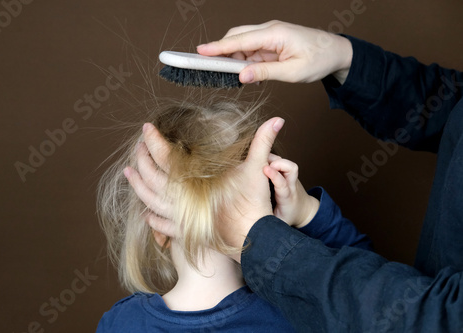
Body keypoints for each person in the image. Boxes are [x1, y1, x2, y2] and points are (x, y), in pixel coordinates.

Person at [133, 21, 463, 332]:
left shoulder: (122, 322)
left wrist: (259, 238)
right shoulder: (305, 312)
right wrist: (343, 57)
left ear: (160, 226)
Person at [95, 94, 372, 332]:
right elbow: (367, 290)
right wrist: (308, 212)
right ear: (273, 211)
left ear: (159, 229)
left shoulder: (120, 324)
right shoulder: (299, 312)